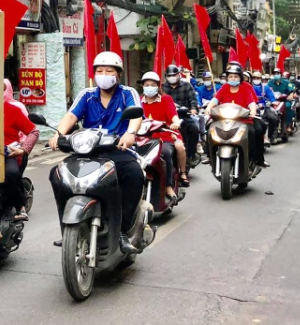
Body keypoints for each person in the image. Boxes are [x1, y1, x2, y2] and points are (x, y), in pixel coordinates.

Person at [50, 51, 144, 254]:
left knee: (134, 174)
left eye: (109, 70)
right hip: (88, 151)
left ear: (118, 74)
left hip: (117, 150)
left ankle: (123, 229)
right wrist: (58, 134)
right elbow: (71, 117)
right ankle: (67, 229)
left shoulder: (128, 93)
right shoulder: (86, 95)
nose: (104, 74)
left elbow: (136, 115)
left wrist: (130, 133)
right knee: (57, 175)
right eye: (99, 70)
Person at [203, 62, 268, 169]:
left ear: (240, 77)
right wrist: (209, 108)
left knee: (252, 132)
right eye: (231, 76)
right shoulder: (224, 87)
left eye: (235, 76)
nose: (233, 79)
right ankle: (210, 155)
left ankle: (253, 158)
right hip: (224, 118)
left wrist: (252, 111)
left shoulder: (246, 88)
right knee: (209, 128)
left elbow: (252, 103)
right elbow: (215, 100)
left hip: (243, 119)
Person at [139, 71, 185, 199]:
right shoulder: (138, 101)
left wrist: (175, 123)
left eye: (152, 85)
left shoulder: (166, 99)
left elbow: (173, 116)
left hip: (164, 136)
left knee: (165, 153)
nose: (149, 87)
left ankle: (168, 186)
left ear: (158, 86)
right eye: (146, 85)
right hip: (143, 138)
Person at [2, 79, 40, 221]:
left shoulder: (13, 109)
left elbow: (33, 132)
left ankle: (20, 207)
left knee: (11, 173)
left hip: (8, 153)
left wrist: (24, 149)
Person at [162, 65, 199, 164]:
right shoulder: (162, 87)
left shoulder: (186, 85)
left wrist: (193, 108)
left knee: (195, 129)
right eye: (169, 75)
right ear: (166, 76)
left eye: (174, 75)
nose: (172, 77)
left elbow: (193, 99)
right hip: (168, 118)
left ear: (179, 75)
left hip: (184, 116)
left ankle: (191, 154)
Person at [250, 70, 279, 144]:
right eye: (254, 78)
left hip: (264, 108)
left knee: (273, 118)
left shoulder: (265, 87)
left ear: (261, 79)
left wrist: (272, 101)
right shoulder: (249, 87)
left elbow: (271, 97)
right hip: (251, 108)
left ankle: (270, 136)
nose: (256, 79)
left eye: (258, 78)